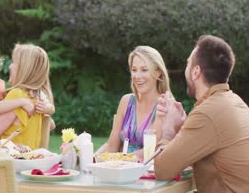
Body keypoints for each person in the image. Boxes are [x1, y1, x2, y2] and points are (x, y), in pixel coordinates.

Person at [154, 35, 249, 191]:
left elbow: (162, 170)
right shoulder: (235, 102)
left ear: (196, 71)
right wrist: (182, 128)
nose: (186, 69)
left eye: (187, 64)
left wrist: (169, 129)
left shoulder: (207, 113)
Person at [97, 46, 171, 158]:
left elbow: (154, 150)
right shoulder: (126, 101)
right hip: (122, 168)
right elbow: (112, 145)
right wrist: (95, 159)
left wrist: (123, 159)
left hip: (149, 172)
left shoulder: (165, 106)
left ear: (158, 72)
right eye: (134, 70)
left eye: (144, 70)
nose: (137, 76)